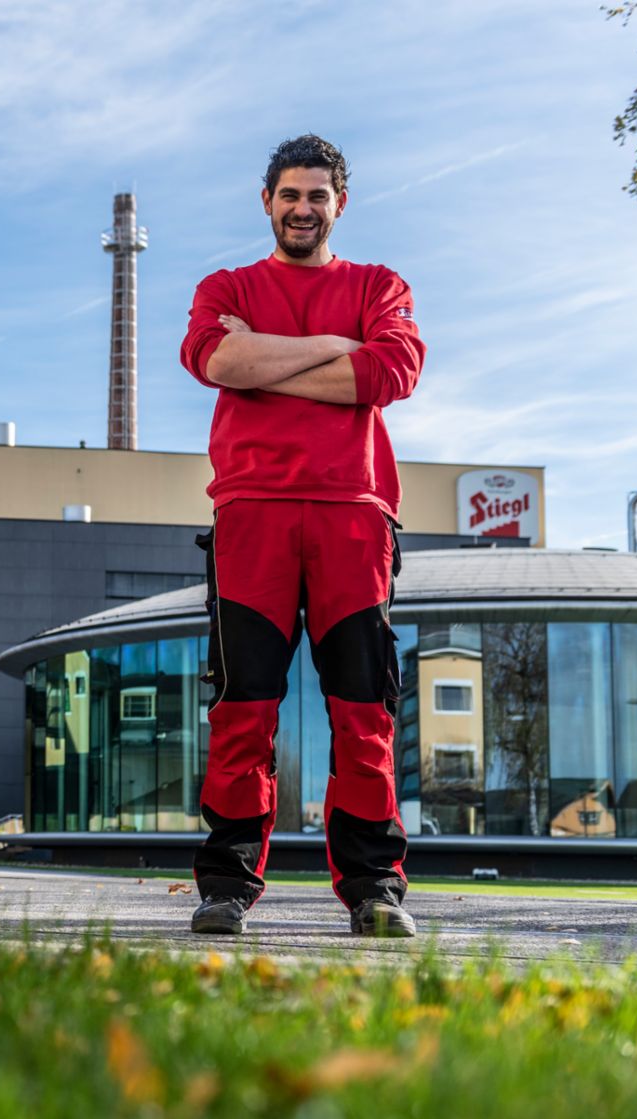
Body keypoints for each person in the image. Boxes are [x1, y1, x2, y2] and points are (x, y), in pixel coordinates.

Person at [178, 134, 427, 938]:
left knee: (366, 710)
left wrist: (264, 359)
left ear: (338, 206)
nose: (302, 208)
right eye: (290, 194)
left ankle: (373, 889)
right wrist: (331, 348)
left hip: (355, 515)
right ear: (268, 203)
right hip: (252, 511)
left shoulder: (379, 285)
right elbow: (215, 360)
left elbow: (391, 372)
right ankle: (225, 886)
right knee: (243, 708)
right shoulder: (226, 284)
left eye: (317, 196)